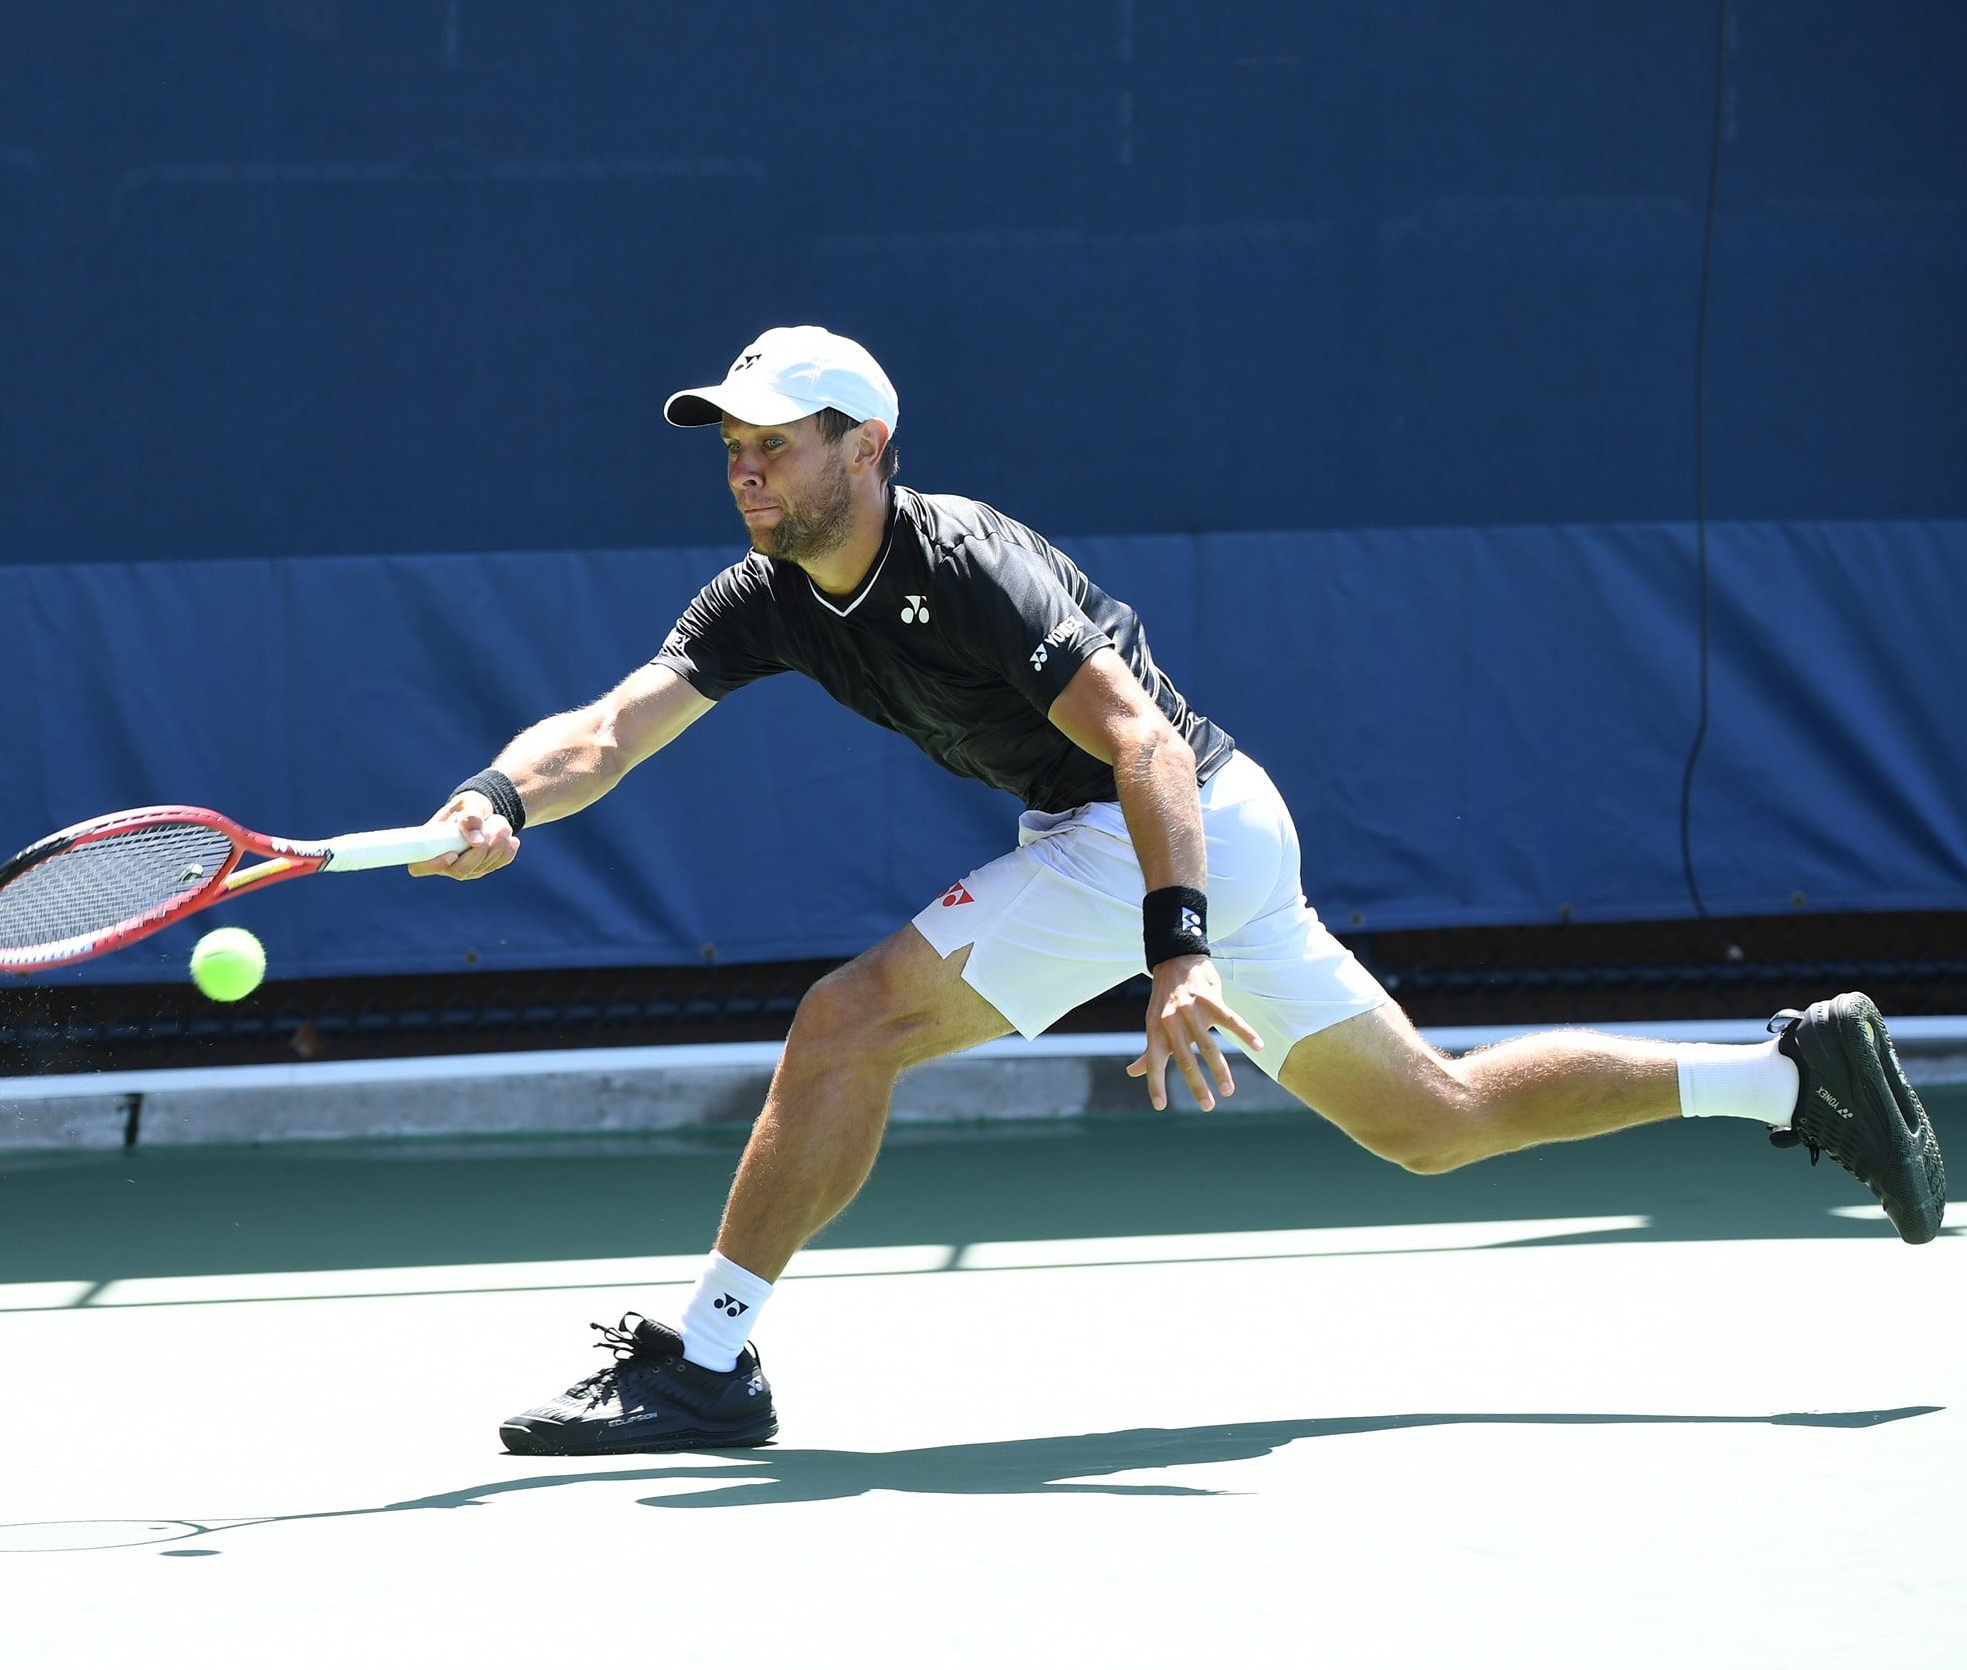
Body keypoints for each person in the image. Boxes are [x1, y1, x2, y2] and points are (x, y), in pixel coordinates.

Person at [415, 324, 1948, 1457]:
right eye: (730, 438)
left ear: (865, 446)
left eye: (777, 435)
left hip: (1160, 825)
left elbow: (1139, 739)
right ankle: (1786, 1069)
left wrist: (1178, 950)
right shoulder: (764, 599)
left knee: (845, 1021)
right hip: (1188, 833)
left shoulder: (969, 567)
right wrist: (496, 795)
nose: (744, 460)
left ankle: (708, 1361)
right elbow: (611, 726)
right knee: (1436, 1117)